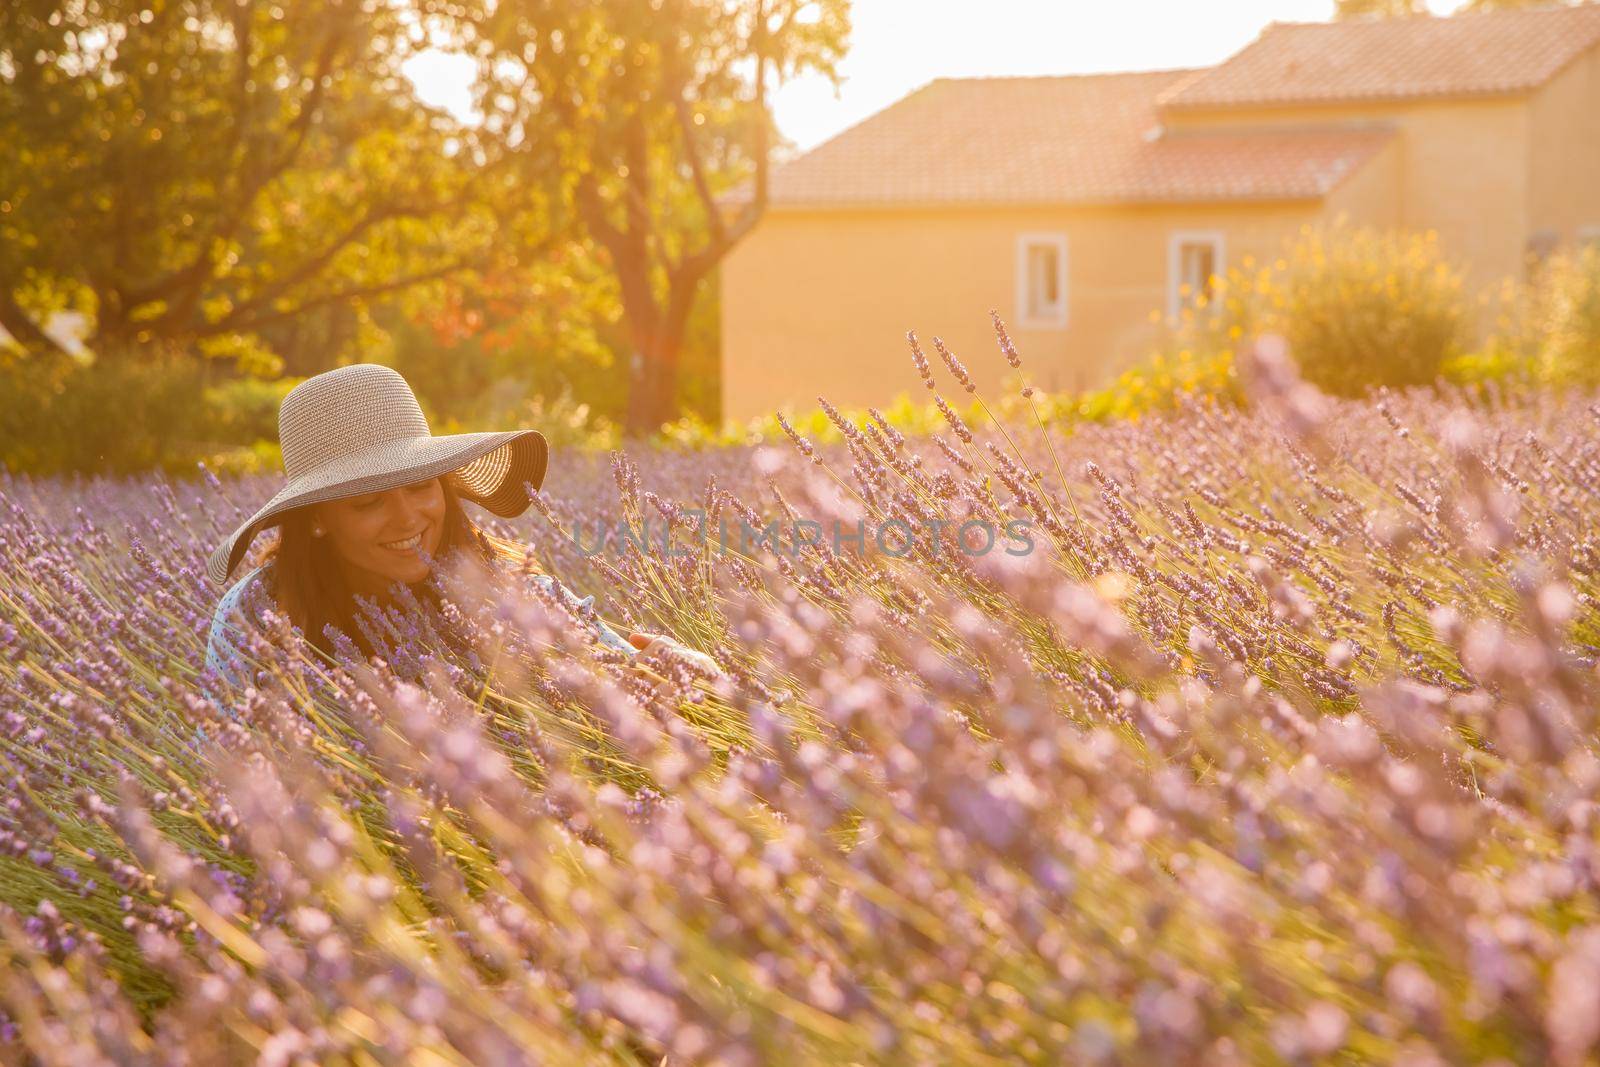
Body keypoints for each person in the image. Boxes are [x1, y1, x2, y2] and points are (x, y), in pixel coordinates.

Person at [201, 363, 716, 702]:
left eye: (421, 487)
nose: (407, 518)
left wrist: (697, 681)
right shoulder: (257, 618)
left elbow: (626, 664)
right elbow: (222, 773)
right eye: (368, 501)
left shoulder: (503, 585)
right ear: (316, 518)